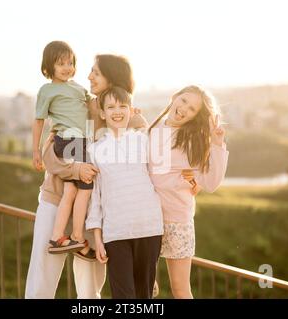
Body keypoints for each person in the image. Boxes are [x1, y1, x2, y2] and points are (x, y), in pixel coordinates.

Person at [25, 54, 147, 298]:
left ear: (112, 77)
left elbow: (143, 165)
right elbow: (50, 153)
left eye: (96, 72)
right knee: (42, 279)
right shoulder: (75, 105)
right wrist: (75, 171)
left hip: (93, 211)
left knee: (90, 289)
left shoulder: (130, 119)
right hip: (55, 199)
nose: (89, 76)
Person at [148, 85, 229, 299]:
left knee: (180, 289)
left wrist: (217, 143)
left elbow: (210, 182)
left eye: (192, 109)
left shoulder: (193, 140)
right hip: (148, 219)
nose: (184, 109)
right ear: (174, 96)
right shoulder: (151, 129)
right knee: (145, 286)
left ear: (196, 116)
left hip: (177, 220)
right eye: (183, 101)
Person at [86, 87, 163, 299]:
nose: (117, 111)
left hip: (149, 227)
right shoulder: (94, 150)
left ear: (131, 110)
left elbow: (164, 177)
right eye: (110, 107)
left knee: (144, 296)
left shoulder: (144, 140)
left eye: (122, 106)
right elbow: (95, 197)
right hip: (115, 232)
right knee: (123, 298)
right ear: (102, 113)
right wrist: (98, 239)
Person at [32, 41, 95, 258]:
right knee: (83, 189)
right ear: (48, 67)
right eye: (61, 64)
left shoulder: (78, 88)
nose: (67, 67)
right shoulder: (47, 90)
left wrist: (127, 107)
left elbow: (95, 105)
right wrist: (36, 151)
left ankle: (59, 237)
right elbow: (39, 121)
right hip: (68, 140)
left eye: (70, 62)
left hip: (81, 141)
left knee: (73, 190)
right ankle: (76, 237)